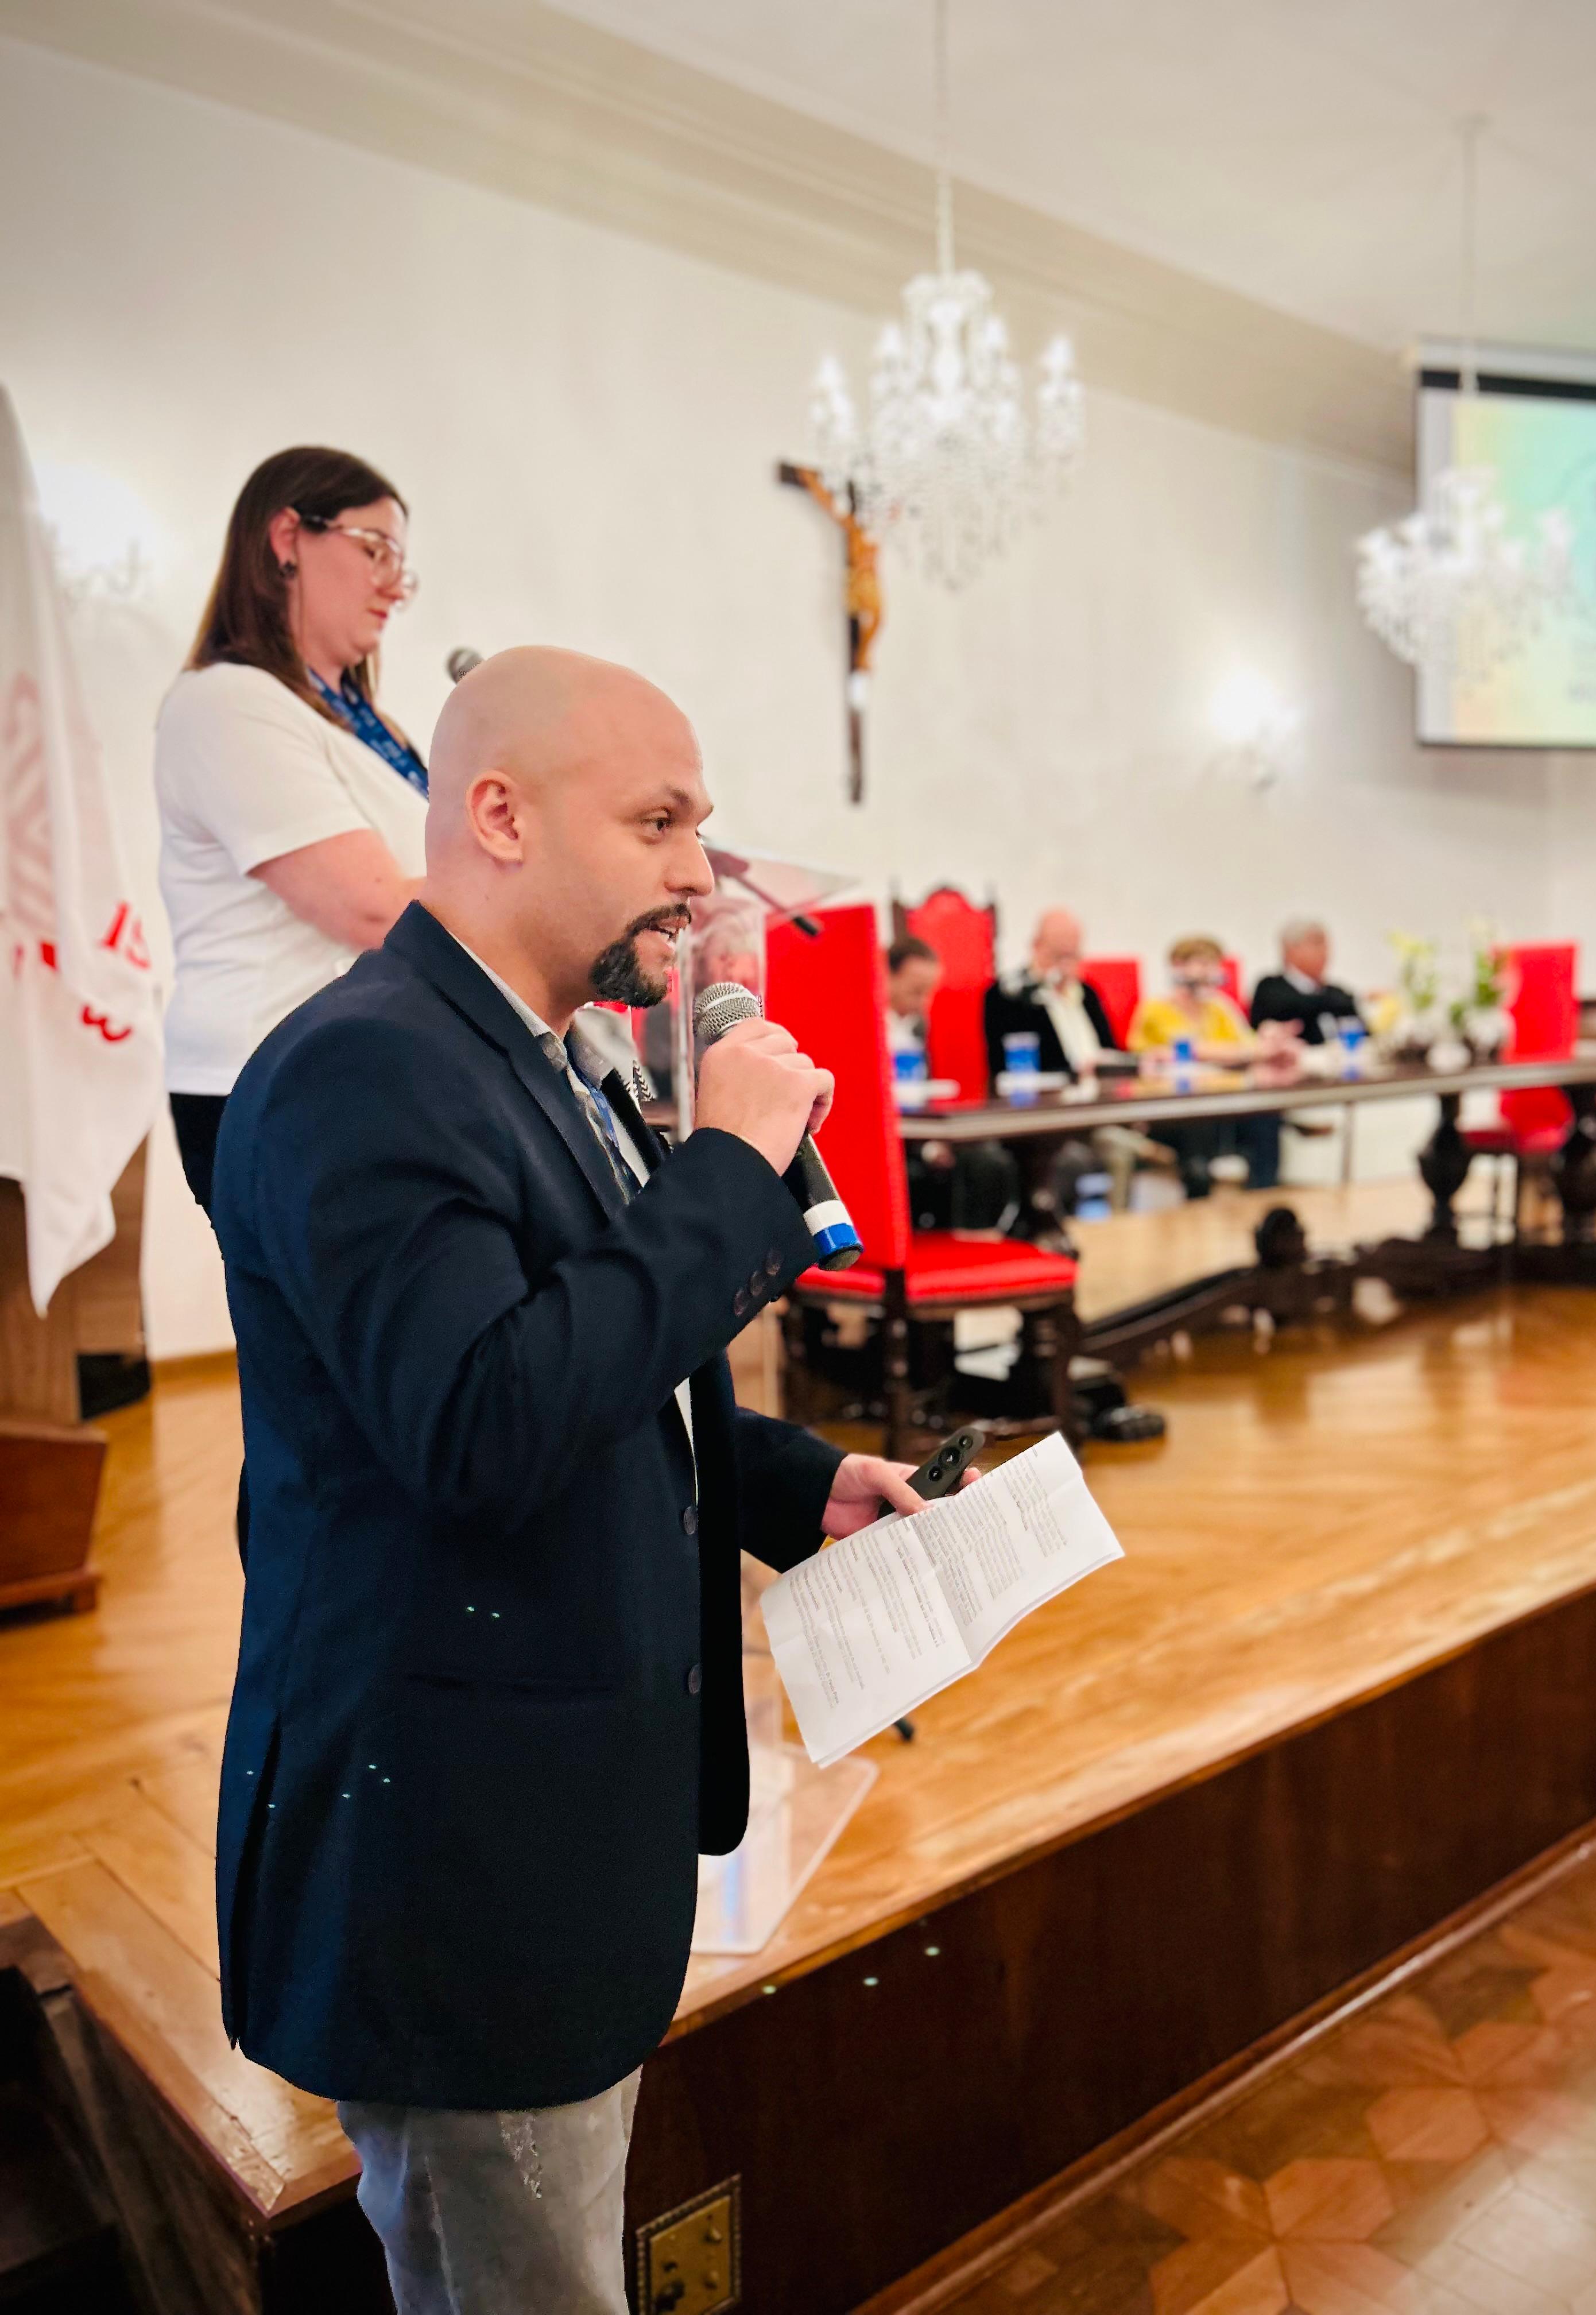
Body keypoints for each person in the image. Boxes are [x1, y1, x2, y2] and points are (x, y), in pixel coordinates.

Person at [209, 646, 929, 2315]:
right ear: (501, 816)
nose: (698, 868)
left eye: (701, 825)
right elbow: (483, 1422)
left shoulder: (539, 1054)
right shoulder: (361, 1068)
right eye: (660, 821)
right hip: (454, 1866)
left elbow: (599, 1359)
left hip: (548, 1830)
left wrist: (790, 1483)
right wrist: (731, 1170)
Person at [154, 445, 427, 1212]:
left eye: (401, 565)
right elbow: (371, 909)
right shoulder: (228, 703)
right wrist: (555, 897)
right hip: (274, 1075)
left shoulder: (372, 725)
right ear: (286, 539)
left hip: (368, 1063)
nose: (394, 585)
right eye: (375, 550)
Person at [1130, 935, 1286, 1194]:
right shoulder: (1155, 1009)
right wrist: (1223, 1053)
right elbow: (1161, 1055)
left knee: (1266, 1117)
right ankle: (1198, 1200)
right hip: (1174, 1109)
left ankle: (1264, 1196)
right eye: (1202, 964)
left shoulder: (1219, 1008)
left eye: (1214, 965)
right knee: (1198, 1126)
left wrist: (1267, 1040)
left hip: (1222, 1103)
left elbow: (1249, 1046)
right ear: (1178, 967)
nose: (1210, 973)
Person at [885, 935, 1016, 1232]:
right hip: (891, 1140)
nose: (923, 1001)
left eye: (928, 992)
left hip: (921, 1129)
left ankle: (979, 1240)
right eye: (916, 991)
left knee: (990, 1159)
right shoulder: (868, 1025)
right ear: (888, 977)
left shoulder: (917, 1025)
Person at [984, 908, 1117, 1079]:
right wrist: (1075, 1073)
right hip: (1051, 1093)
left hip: (1103, 1089)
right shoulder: (1008, 996)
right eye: (1057, 956)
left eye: (1072, 956)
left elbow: (1111, 1051)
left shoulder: (1088, 994)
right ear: (1036, 947)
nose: (1065, 966)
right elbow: (1010, 1068)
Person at [1249, 918, 1364, 1048]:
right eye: (1317, 944)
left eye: (1326, 945)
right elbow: (1296, 1007)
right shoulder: (1270, 988)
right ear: (1291, 950)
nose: (1325, 951)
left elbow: (1362, 1030)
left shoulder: (1336, 993)